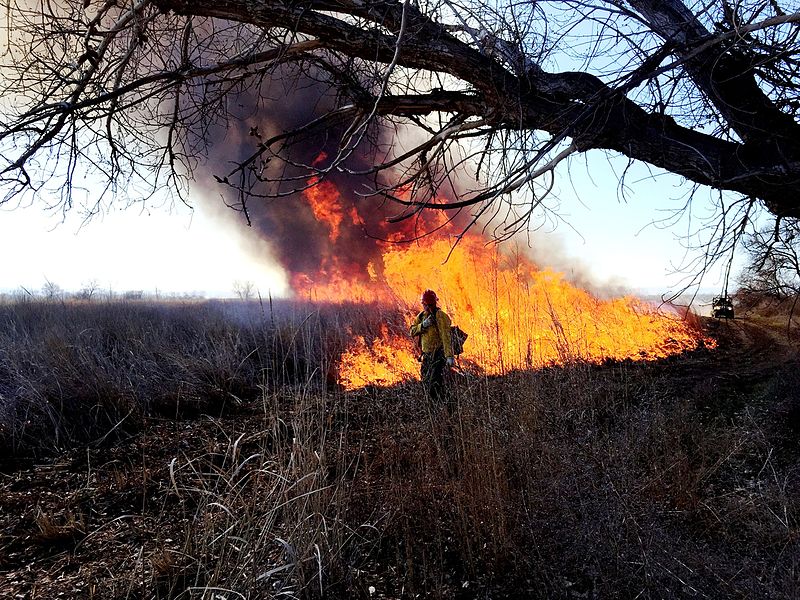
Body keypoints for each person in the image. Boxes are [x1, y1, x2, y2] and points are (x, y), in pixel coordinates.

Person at [409, 289, 454, 402]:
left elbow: (446, 337)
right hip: (426, 356)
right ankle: (440, 406)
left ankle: (444, 406)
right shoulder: (421, 317)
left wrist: (449, 356)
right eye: (425, 304)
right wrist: (423, 325)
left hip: (439, 356)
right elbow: (412, 331)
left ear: (434, 303)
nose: (427, 307)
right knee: (426, 383)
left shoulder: (440, 316)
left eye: (429, 304)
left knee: (434, 384)